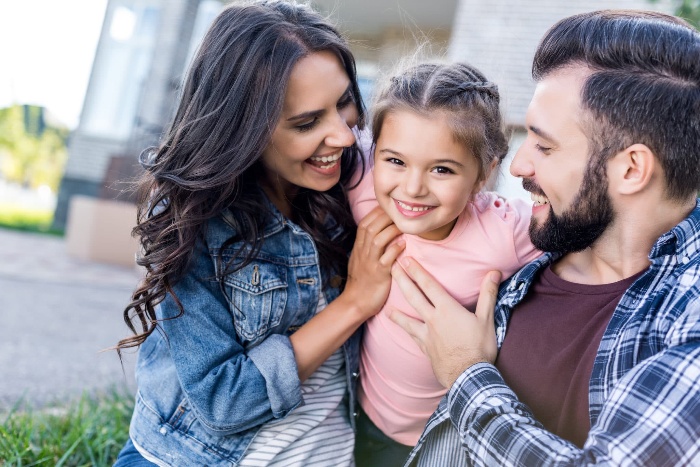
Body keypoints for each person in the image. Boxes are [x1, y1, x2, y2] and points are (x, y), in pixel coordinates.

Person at [389, 9, 700, 466]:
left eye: (545, 146)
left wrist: (466, 374)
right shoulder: (519, 270)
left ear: (631, 169)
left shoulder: (688, 315)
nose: (517, 167)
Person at [112, 1, 405, 465]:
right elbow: (223, 401)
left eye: (345, 101)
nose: (346, 136)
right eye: (308, 122)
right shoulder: (196, 219)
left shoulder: (359, 176)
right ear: (244, 128)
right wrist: (354, 303)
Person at [347, 62, 541, 466]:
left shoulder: (504, 232)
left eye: (441, 169)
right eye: (396, 161)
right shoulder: (364, 184)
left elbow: (581, 229)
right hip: (354, 412)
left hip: (436, 441)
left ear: (484, 174)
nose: (412, 187)